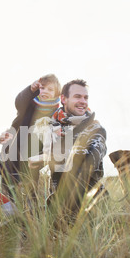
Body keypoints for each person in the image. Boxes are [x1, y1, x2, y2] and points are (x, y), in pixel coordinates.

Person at [34, 79, 107, 218]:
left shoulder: (95, 129)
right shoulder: (49, 128)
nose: (83, 101)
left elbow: (88, 162)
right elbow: (28, 162)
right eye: (77, 96)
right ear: (63, 99)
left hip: (91, 206)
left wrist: (56, 148)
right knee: (21, 222)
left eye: (85, 97)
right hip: (57, 205)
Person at [0, 73, 61, 182]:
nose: (45, 91)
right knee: (8, 175)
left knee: (30, 180)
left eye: (50, 89)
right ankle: (6, 195)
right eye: (42, 88)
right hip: (16, 145)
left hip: (35, 152)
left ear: (57, 93)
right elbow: (19, 102)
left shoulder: (56, 114)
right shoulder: (29, 104)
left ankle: (29, 196)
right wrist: (30, 89)